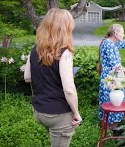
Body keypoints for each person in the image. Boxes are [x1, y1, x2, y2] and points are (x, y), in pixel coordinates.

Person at [24, 8, 82, 147]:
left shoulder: (36, 48)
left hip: (39, 111)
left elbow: (27, 77)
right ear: (65, 28)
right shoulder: (65, 53)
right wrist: (76, 113)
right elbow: (69, 90)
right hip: (58, 115)